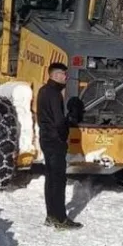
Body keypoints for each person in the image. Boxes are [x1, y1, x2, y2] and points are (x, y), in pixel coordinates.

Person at [37, 62, 83, 230]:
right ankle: (61, 219)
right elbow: (58, 120)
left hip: (45, 139)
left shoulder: (43, 91)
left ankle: (51, 215)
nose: (66, 77)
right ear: (55, 75)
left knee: (50, 179)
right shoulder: (55, 94)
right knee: (58, 180)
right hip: (55, 141)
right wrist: (66, 129)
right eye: (64, 74)